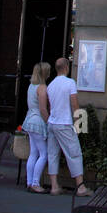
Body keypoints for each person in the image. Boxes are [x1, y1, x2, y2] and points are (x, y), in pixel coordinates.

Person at [46, 58, 89, 197]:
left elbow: (50, 105)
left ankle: (54, 186)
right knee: (74, 153)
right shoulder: (70, 83)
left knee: (52, 154)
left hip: (52, 123)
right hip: (64, 123)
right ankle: (81, 187)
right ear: (66, 67)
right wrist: (79, 124)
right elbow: (75, 105)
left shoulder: (50, 85)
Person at [22, 62, 50, 193]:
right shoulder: (42, 87)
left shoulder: (31, 86)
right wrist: (49, 121)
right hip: (38, 121)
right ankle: (35, 183)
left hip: (29, 120)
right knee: (44, 154)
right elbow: (43, 109)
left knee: (33, 153)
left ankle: (29, 182)